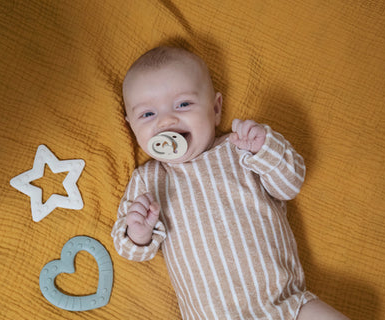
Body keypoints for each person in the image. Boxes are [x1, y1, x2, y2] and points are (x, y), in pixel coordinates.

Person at [111, 46, 348, 320]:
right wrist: (138, 232)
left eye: (183, 104)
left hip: (287, 304)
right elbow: (129, 250)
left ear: (215, 109)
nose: (166, 120)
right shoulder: (148, 180)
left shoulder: (241, 148)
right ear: (132, 127)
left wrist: (265, 149)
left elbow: (290, 185)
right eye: (147, 115)